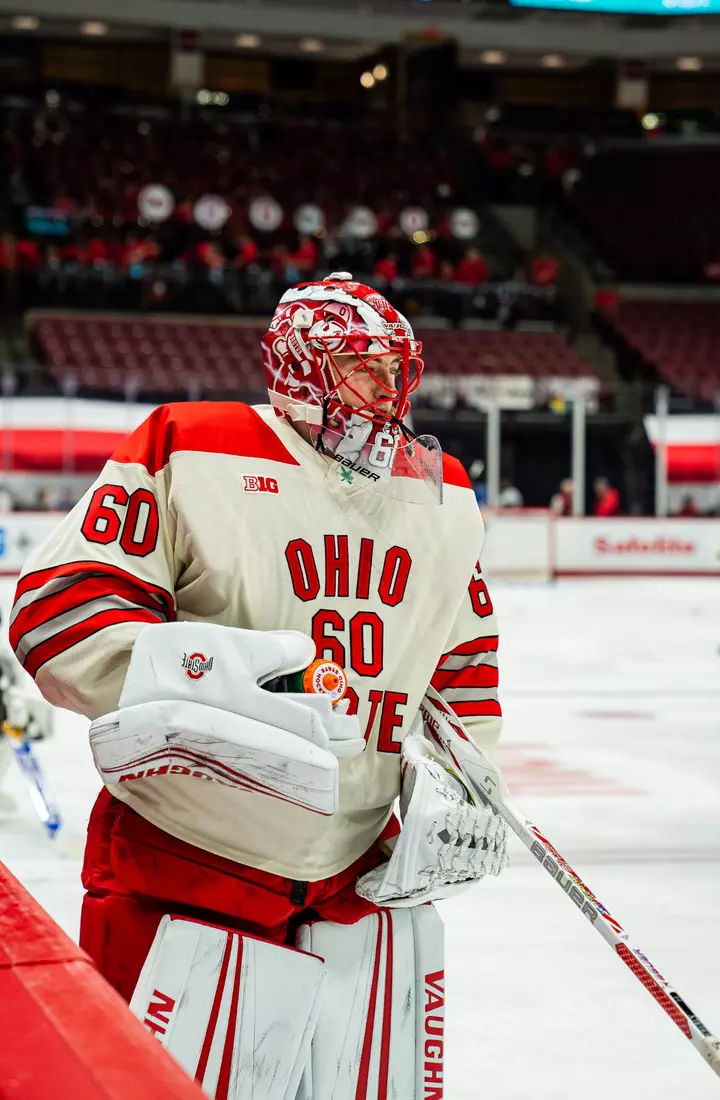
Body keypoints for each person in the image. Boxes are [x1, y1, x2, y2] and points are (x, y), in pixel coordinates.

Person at [9, 272, 504, 1096]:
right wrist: (222, 684)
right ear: (298, 371)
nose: (388, 392)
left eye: (396, 369)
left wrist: (460, 786)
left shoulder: (443, 488)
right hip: (188, 864)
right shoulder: (192, 444)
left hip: (361, 884)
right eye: (361, 369)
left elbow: (465, 667)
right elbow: (58, 610)